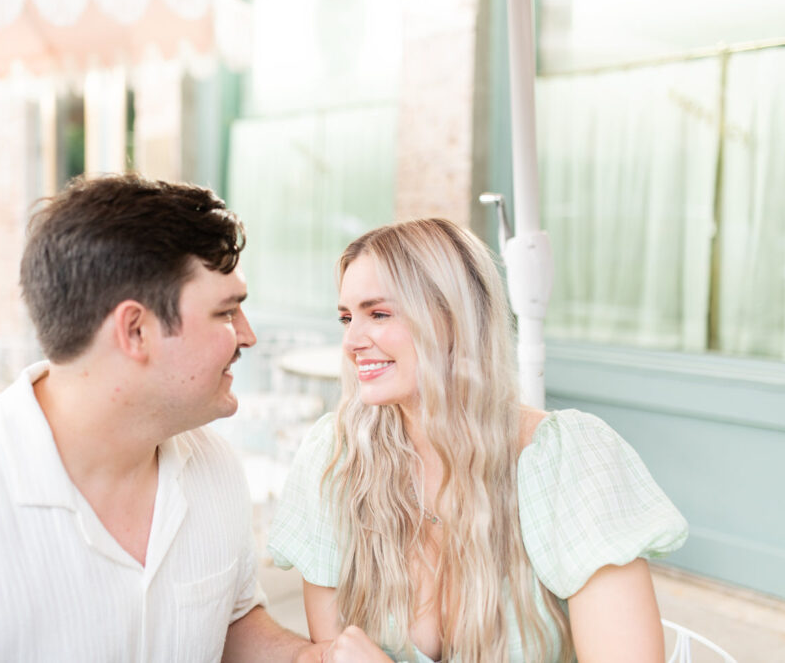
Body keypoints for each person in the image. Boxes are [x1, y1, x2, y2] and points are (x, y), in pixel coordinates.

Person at [0, 174, 325, 662]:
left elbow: (229, 622)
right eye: (226, 312)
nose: (247, 336)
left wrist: (307, 659)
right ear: (135, 331)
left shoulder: (214, 466)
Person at [267, 218, 688, 663]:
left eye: (379, 314)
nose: (351, 341)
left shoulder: (569, 462)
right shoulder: (337, 460)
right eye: (346, 318)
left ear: (451, 318)